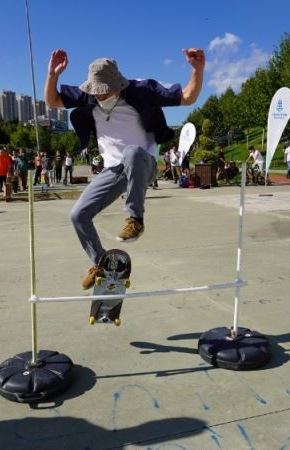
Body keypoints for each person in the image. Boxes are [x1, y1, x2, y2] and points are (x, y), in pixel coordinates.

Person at [45, 47, 205, 289]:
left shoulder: (142, 90)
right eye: (95, 92)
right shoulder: (87, 96)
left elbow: (188, 96)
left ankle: (135, 218)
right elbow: (52, 100)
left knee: (131, 152)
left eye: (104, 91)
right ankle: (101, 263)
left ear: (118, 85)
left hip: (143, 164)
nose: (98, 96)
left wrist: (197, 69)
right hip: (112, 171)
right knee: (78, 215)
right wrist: (52, 75)